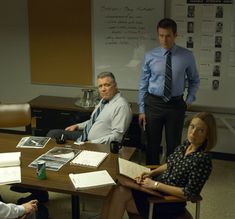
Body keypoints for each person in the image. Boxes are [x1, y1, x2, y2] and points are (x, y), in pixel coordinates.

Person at [102, 112, 217, 219]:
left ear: (207, 135)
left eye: (200, 130)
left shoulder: (202, 160)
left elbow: (189, 194)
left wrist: (155, 184)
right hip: (155, 191)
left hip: (167, 203)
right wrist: (151, 173)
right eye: (192, 126)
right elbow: (170, 163)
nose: (193, 132)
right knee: (115, 188)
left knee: (120, 193)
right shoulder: (186, 145)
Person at [138, 18, 200, 165]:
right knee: (152, 145)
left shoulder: (187, 56)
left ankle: (170, 178)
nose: (164, 40)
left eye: (168, 36)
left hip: (176, 104)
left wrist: (189, 100)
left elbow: (194, 80)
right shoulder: (150, 56)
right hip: (153, 104)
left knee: (174, 146)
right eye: (161, 35)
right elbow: (143, 84)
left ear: (175, 35)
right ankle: (150, 178)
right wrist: (141, 110)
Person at [47, 71, 132, 144]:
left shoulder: (121, 106)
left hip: (98, 144)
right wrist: (77, 126)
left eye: (107, 85)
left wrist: (92, 143)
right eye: (100, 86)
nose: (103, 89)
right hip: (85, 136)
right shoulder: (104, 101)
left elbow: (117, 137)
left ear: (115, 85)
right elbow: (94, 121)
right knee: (53, 134)